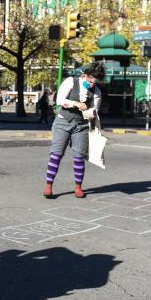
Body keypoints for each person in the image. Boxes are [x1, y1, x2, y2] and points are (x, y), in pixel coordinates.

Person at [43, 62, 105, 199]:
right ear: (85, 75)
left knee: (79, 157)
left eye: (95, 82)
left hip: (81, 125)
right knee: (56, 154)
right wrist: (75, 104)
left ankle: (78, 187)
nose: (92, 84)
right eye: (90, 81)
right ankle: (48, 186)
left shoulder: (97, 92)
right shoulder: (71, 81)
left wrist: (90, 111)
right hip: (63, 121)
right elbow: (59, 100)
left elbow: (95, 110)